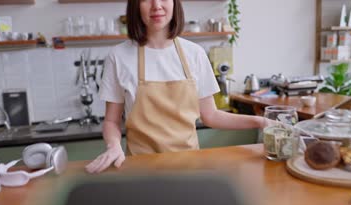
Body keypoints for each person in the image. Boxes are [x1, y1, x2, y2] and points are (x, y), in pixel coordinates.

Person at [86, 0, 271, 174]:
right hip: (140, 169)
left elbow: (211, 116)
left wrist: (261, 122)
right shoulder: (118, 57)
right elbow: (111, 121)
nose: (156, 5)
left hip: (189, 169)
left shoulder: (195, 54)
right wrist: (114, 145)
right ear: (135, 5)